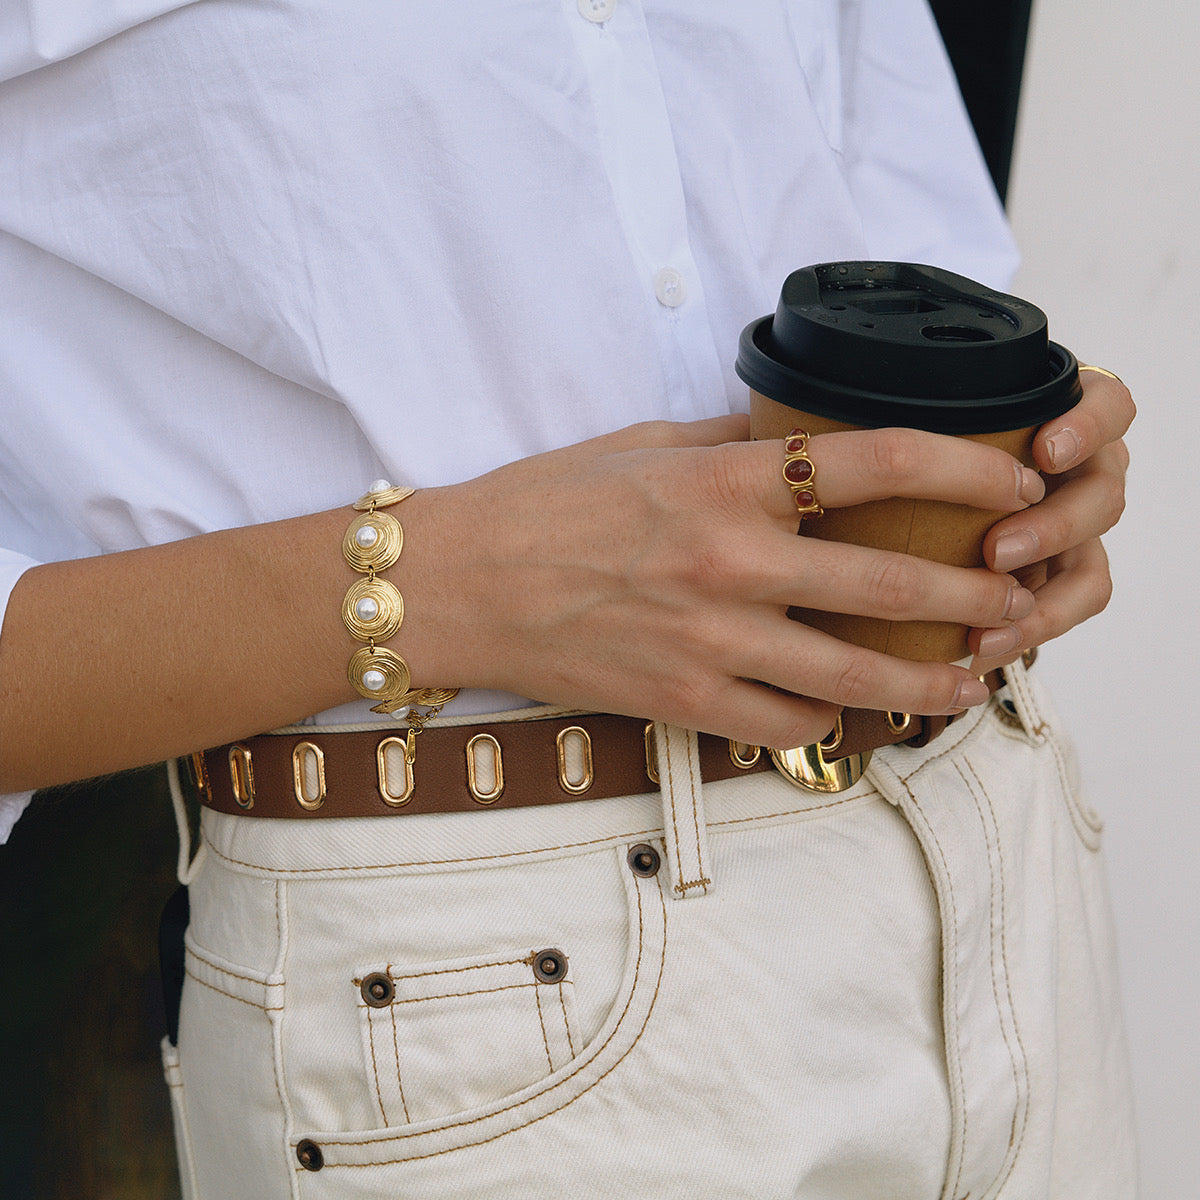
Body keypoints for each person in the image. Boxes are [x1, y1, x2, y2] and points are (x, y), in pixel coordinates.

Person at [0, 2, 1136, 1197]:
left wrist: (1018, 453)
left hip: (994, 856)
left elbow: (903, 256)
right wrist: (429, 584)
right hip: (488, 976)